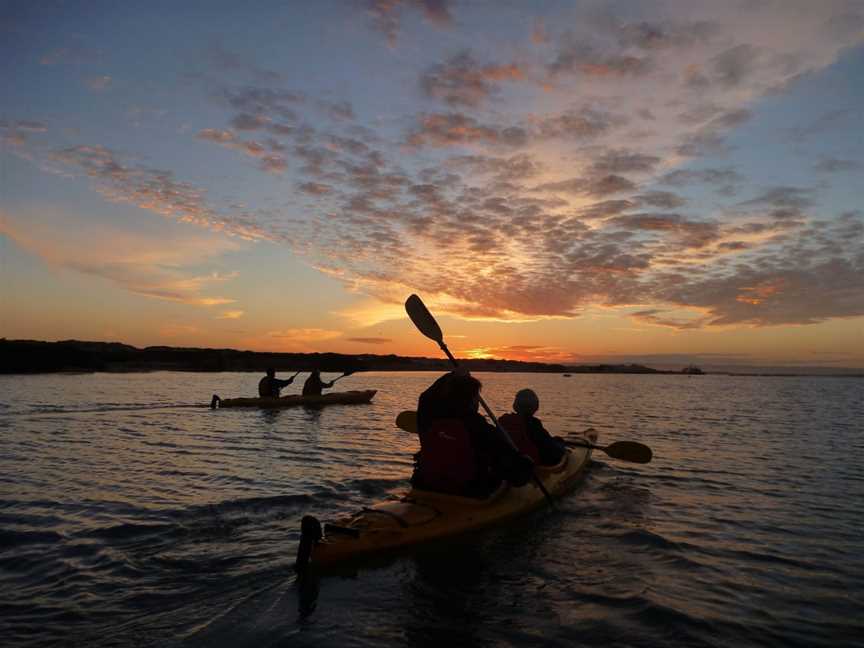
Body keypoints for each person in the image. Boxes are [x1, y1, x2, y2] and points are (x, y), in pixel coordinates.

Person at [412, 371, 534, 497]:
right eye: (477, 396)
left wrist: (452, 376)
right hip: (468, 491)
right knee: (521, 465)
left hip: (425, 485)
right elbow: (507, 461)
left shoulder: (430, 418)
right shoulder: (479, 426)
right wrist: (525, 464)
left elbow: (425, 397)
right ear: (472, 399)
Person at [498, 389, 567, 466]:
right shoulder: (533, 424)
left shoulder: (502, 420)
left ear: (515, 405)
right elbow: (549, 446)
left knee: (557, 440)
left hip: (509, 461)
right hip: (528, 464)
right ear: (535, 407)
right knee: (558, 445)